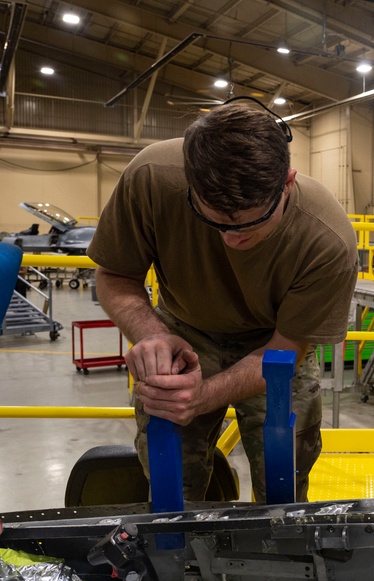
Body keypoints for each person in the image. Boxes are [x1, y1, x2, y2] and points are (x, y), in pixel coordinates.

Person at [87, 101, 358, 502]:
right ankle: (184, 557)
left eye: (250, 224)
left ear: (287, 182)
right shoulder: (152, 177)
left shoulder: (326, 238)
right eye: (213, 220)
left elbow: (289, 345)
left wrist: (203, 397)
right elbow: (115, 275)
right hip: (181, 326)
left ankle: (275, 557)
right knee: (171, 476)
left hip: (276, 340)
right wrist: (151, 334)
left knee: (284, 476)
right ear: (188, 183)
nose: (231, 239)